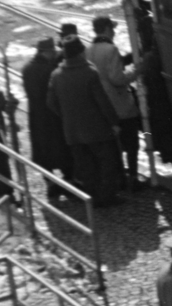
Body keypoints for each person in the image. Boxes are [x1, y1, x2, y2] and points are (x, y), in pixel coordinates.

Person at [46, 37, 122, 206]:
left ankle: (92, 198)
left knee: (85, 166)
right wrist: (114, 122)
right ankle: (107, 197)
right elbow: (102, 101)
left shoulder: (56, 75)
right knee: (107, 163)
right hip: (97, 130)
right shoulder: (89, 72)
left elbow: (50, 103)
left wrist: (67, 116)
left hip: (72, 132)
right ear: (80, 52)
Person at [89, 15, 142, 189]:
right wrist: (135, 71)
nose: (114, 31)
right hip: (120, 105)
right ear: (105, 29)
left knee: (114, 147)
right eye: (111, 28)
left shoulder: (88, 49)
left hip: (102, 106)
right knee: (131, 144)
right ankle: (133, 178)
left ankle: (119, 178)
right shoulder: (111, 49)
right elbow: (117, 79)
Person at [19, 38, 71, 200]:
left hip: (37, 116)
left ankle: (49, 183)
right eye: (53, 52)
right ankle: (68, 181)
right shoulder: (49, 69)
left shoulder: (27, 68)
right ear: (46, 52)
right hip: (53, 116)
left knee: (43, 150)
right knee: (61, 149)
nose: (54, 54)